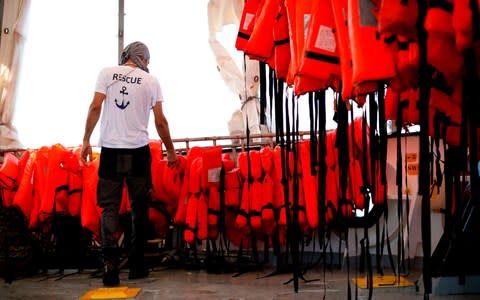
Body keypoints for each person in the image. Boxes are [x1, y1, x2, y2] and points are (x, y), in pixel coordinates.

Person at [80, 41, 178, 286]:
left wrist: (85, 140)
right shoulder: (151, 81)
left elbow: (95, 107)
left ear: (126, 56)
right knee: (139, 209)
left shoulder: (106, 73)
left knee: (109, 209)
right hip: (138, 153)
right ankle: (137, 266)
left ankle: (110, 268)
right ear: (143, 58)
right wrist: (171, 150)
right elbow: (160, 122)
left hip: (111, 151)